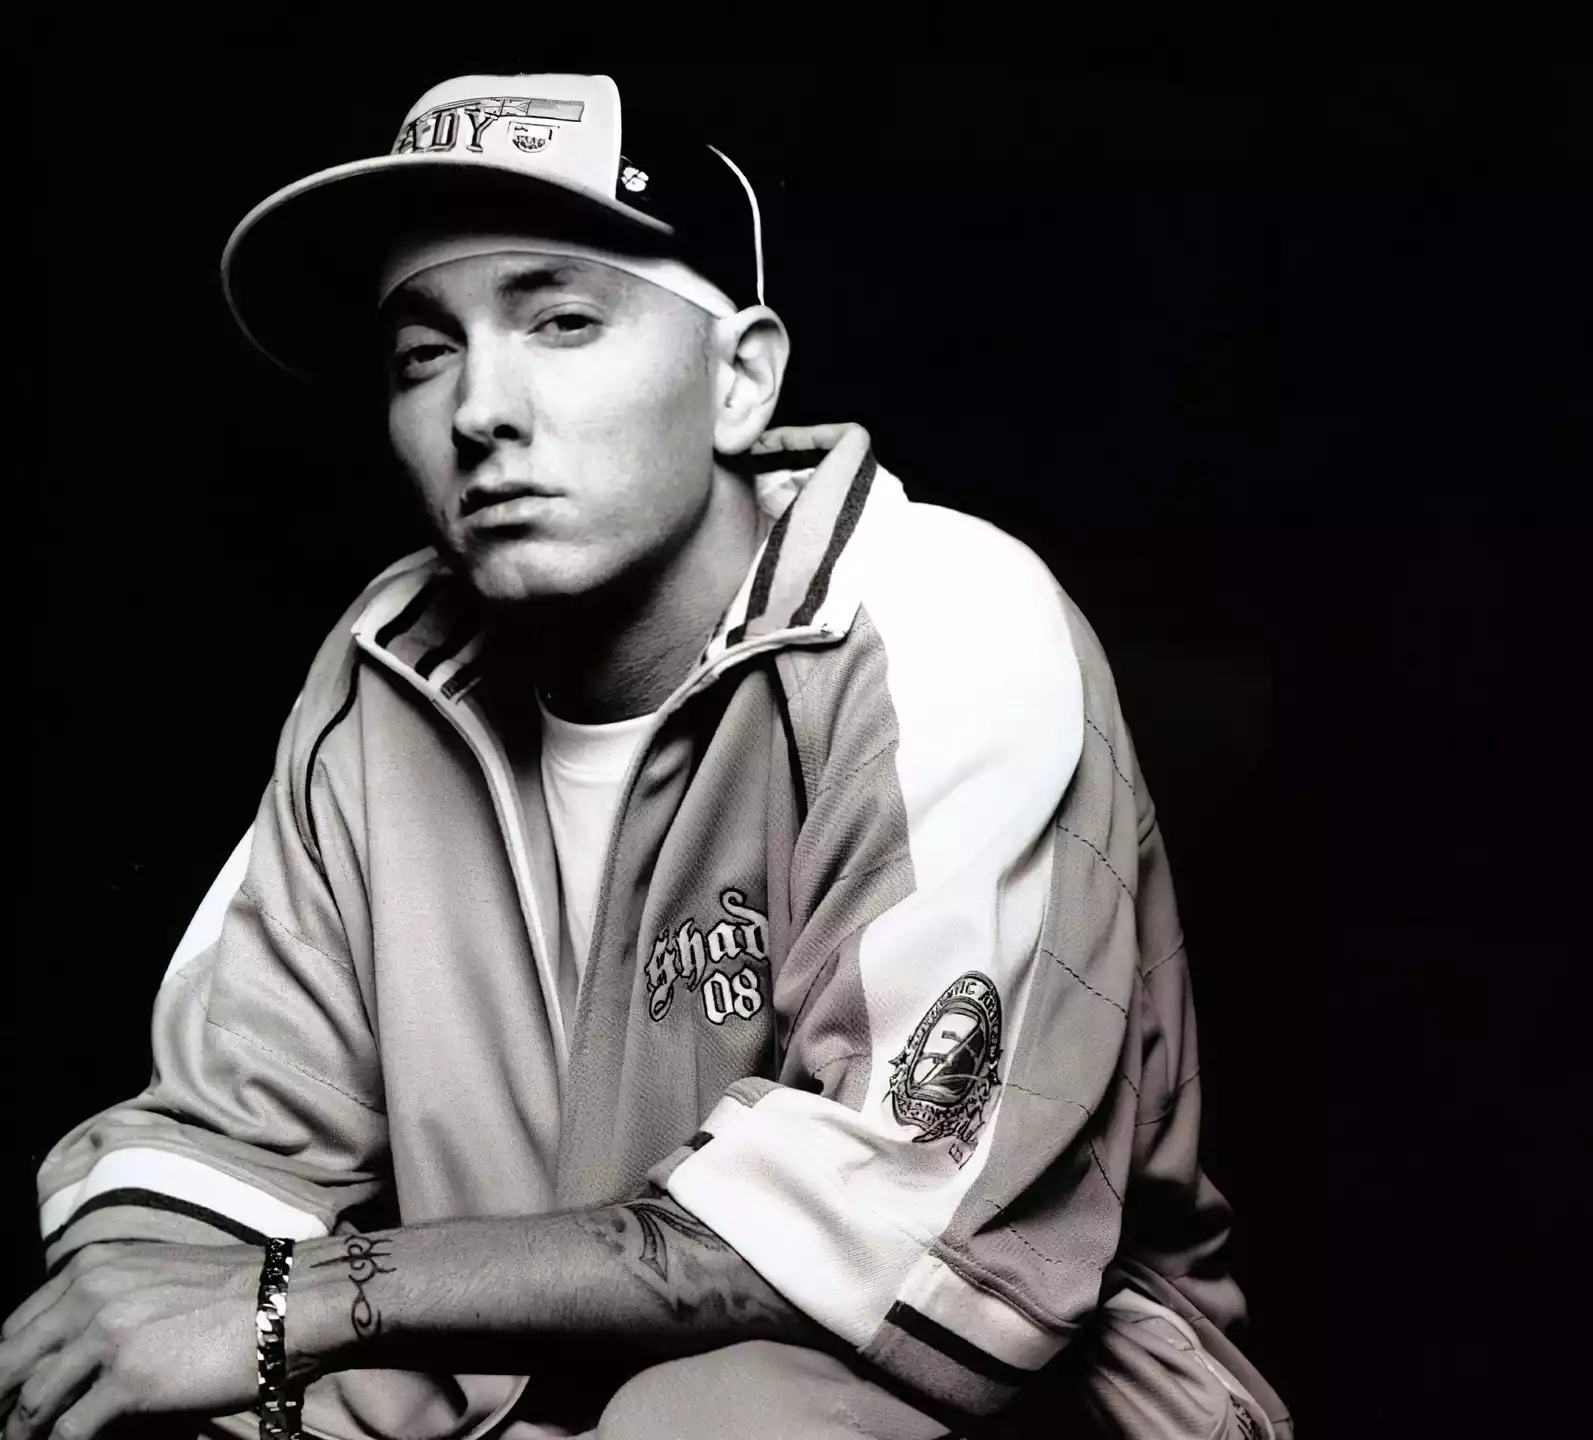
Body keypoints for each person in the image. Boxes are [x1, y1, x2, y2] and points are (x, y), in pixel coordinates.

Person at [1, 73, 1289, 1440]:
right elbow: (222, 1139)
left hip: (991, 1390)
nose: (479, 410)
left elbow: (898, 1242)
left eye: (561, 321)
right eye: (422, 353)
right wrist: (134, 1323)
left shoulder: (943, 621)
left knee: (716, 1416)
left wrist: (297, 1305)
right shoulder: (390, 670)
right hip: (512, 1389)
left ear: (741, 380)